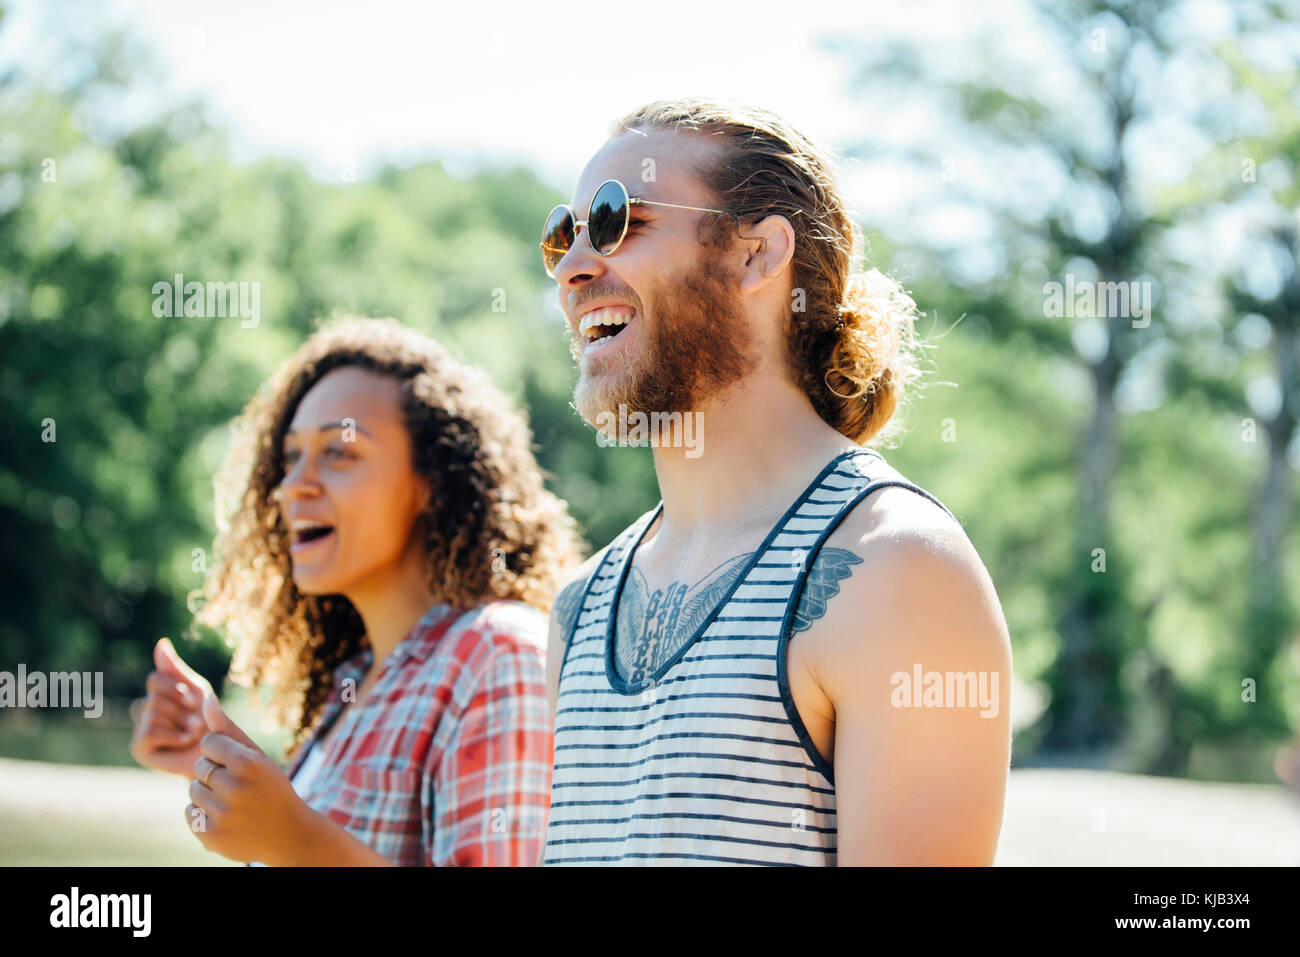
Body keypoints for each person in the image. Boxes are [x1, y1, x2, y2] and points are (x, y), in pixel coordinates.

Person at [539, 98, 1013, 866]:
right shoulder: (578, 609)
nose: (572, 268)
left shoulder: (899, 570)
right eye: (562, 235)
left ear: (757, 255)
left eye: (616, 219)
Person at [129, 317, 583, 866]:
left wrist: (297, 842)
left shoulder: (499, 656)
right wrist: (215, 760)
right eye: (291, 457)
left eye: (338, 453)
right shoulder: (354, 680)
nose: (294, 485)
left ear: (433, 484)